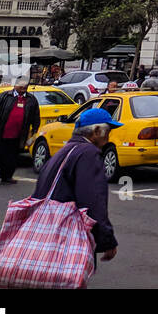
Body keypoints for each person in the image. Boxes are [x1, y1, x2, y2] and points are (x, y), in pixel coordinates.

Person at [31, 107, 120, 267]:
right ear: (97, 131)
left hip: (46, 231)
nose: (108, 138)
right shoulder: (88, 154)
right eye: (107, 131)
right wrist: (107, 239)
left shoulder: (63, 152)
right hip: (67, 235)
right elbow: (93, 199)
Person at [0, 77, 41, 185]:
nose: (23, 86)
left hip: (18, 136)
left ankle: (6, 177)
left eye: (25, 84)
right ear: (15, 85)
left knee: (11, 158)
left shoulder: (31, 100)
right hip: (0, 134)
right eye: (21, 84)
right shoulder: (4, 96)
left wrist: (34, 130)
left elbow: (36, 117)